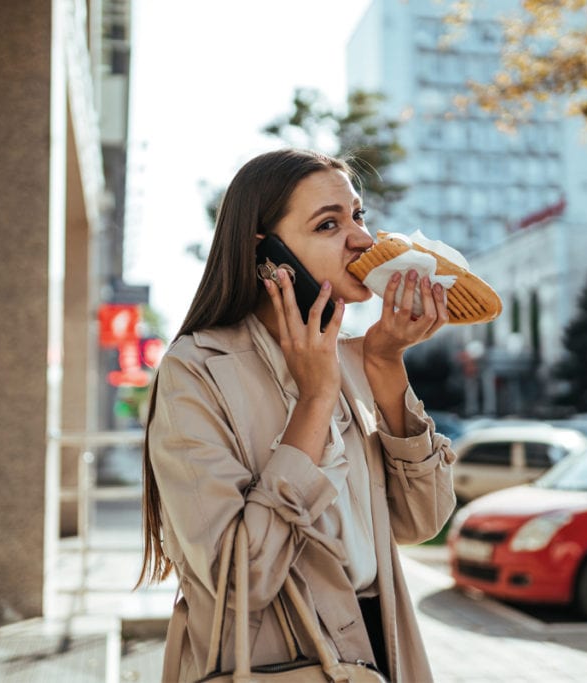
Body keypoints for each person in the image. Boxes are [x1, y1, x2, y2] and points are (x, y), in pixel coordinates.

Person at [138, 148, 456, 682]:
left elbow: (420, 521)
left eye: (359, 216)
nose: (363, 240)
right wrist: (313, 402)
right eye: (328, 224)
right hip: (279, 663)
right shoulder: (196, 370)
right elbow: (241, 580)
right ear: (267, 253)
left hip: (383, 652)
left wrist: (384, 364)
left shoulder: (356, 357)